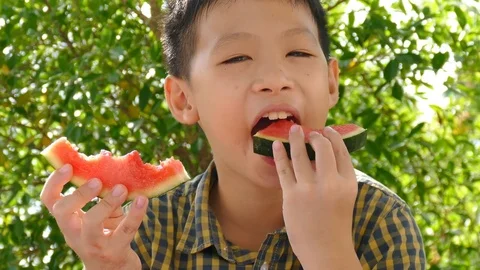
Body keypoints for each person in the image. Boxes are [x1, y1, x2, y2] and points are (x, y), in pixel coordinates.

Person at [40, 0, 426, 269]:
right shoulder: (145, 228)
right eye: (237, 57)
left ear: (330, 81)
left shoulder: (379, 219)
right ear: (183, 99)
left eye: (299, 53)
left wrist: (329, 252)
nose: (275, 79)